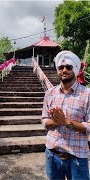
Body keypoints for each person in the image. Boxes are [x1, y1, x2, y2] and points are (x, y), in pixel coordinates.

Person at [41, 50, 90, 180]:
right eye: (61, 67)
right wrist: (57, 121)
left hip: (77, 158)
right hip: (52, 155)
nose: (64, 70)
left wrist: (66, 122)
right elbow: (44, 121)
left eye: (68, 67)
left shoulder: (87, 94)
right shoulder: (49, 93)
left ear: (75, 69)